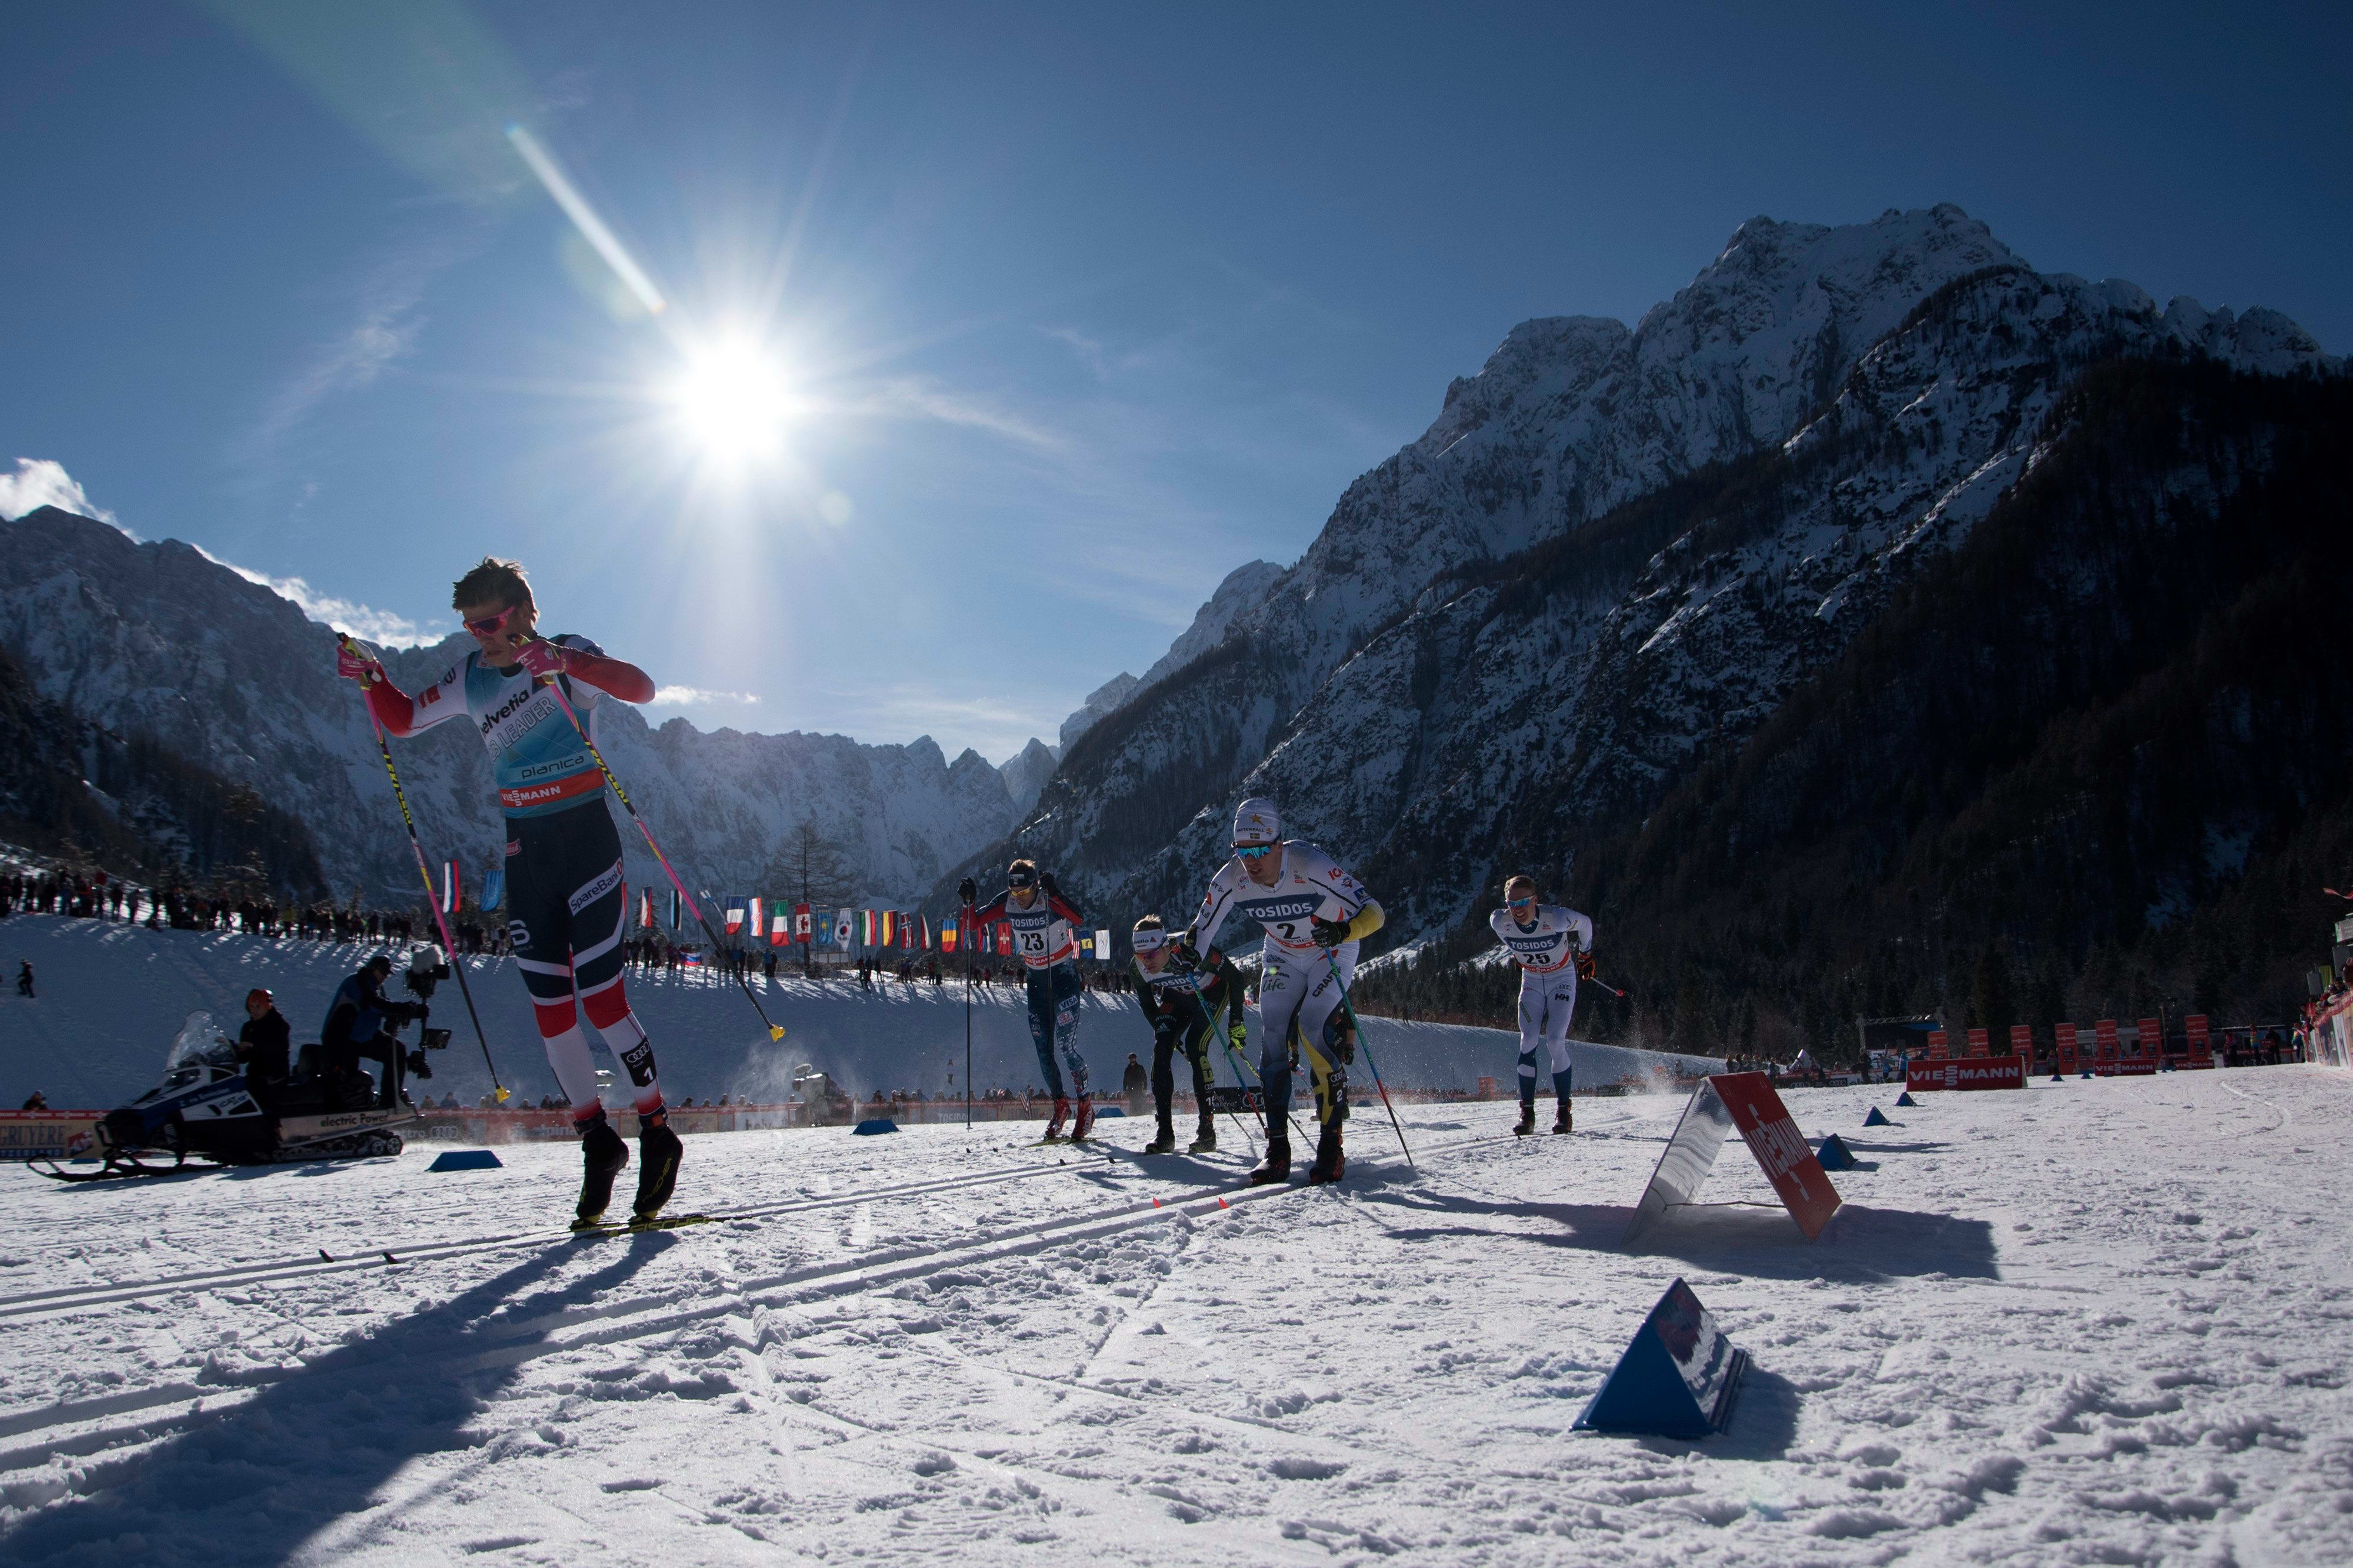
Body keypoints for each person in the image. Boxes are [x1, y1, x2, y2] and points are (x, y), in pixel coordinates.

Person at [338, 556, 680, 1227]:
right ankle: (597, 1141)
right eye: (471, 627)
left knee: (603, 1000)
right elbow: (403, 720)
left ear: (524, 612)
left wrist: (566, 663)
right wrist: (374, 677)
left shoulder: (565, 653)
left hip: (586, 844)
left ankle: (657, 1129)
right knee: (551, 1012)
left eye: (490, 623)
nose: (482, 638)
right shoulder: (470, 677)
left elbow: (641, 687)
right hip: (526, 856)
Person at [1183, 799, 1382, 1185]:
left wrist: (1344, 930)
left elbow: (1374, 911)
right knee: (1273, 1037)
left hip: (1331, 950)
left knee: (1312, 1027)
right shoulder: (1232, 877)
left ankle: (1331, 1147)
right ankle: (1277, 1150)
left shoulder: (1310, 865)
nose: (1251, 862)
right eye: (1243, 851)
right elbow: (1201, 929)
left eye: (1260, 851)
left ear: (1278, 845)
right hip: (1281, 954)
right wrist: (1190, 953)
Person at [960, 859, 1094, 1141]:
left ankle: (1085, 1106)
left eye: (1024, 892)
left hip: (1063, 978)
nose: (1019, 898)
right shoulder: (1007, 901)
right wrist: (968, 902)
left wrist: (1056, 893)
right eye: (1015, 892)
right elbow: (973, 923)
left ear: (1035, 886)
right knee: (1043, 1049)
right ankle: (1061, 1105)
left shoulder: (1047, 898)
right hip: (1036, 982)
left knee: (1066, 1046)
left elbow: (1079, 918)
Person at [1129, 914, 1249, 1155]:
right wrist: (1165, 1035)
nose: (1146, 962)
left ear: (1166, 946)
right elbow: (1148, 1005)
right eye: (1140, 956)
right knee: (1161, 1049)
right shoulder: (1137, 968)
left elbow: (1236, 979)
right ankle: (1165, 1133)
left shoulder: (1192, 951)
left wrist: (1236, 1023)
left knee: (1195, 1046)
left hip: (1211, 992)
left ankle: (1207, 1130)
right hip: (1178, 997)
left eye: (1151, 955)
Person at [1488, 875, 1594, 1136]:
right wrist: (1519, 955)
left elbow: (1586, 924)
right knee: (1528, 1040)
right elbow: (1507, 937)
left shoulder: (1557, 918)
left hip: (1561, 979)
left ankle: (1564, 1112)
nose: (1518, 909)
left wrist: (1586, 955)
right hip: (1533, 982)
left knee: (1556, 1041)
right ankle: (1527, 1113)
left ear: (1535, 900)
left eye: (1524, 902)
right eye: (1512, 903)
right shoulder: (1500, 921)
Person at [320, 955, 418, 1109]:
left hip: (361, 1037)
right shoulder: (357, 981)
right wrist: (402, 1008)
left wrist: (411, 1011)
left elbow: (384, 1008)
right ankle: (345, 1110)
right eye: (383, 972)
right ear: (373, 969)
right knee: (345, 1081)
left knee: (396, 1050)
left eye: (387, 974)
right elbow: (373, 1004)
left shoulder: (375, 987)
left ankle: (390, 1099)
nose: (385, 977)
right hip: (341, 1039)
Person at [235, 986, 292, 1089]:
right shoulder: (249, 1027)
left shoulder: (279, 1025)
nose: (254, 1010)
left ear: (267, 1007)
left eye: (258, 1007)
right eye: (251, 1007)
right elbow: (244, 1058)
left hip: (276, 1078)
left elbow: (276, 1048)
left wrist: (253, 1046)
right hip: (254, 1077)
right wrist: (233, 1049)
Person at [1122, 1052, 1149, 1117]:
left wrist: (1145, 1088)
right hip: (1130, 1089)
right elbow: (1125, 1080)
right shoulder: (1127, 1069)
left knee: (1138, 1102)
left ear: (1135, 1058)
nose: (1131, 1059)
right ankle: (1133, 1115)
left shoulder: (1140, 1068)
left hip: (1138, 1088)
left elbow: (1145, 1078)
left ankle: (1139, 1115)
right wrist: (1124, 1089)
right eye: (1130, 1058)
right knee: (1132, 1102)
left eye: (1133, 1058)